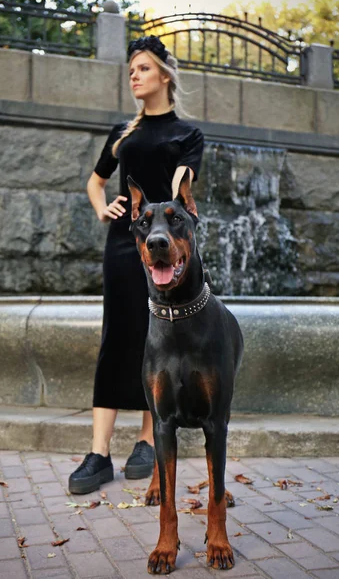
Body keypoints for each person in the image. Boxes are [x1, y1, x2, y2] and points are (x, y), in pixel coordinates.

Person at [69, 35, 204, 495]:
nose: (134, 76)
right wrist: (101, 207)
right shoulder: (123, 133)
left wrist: (179, 190)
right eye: (131, 71)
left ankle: (146, 441)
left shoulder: (187, 134)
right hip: (123, 245)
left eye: (142, 68)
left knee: (155, 337)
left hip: (162, 246)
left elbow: (181, 181)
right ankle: (99, 452)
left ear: (164, 75)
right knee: (116, 337)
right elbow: (95, 181)